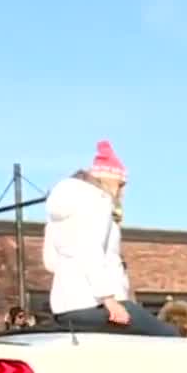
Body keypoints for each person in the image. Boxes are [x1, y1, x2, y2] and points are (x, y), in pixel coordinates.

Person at [42, 140, 178, 336]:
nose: (122, 192)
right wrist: (109, 300)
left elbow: (50, 262)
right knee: (168, 335)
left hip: (65, 308)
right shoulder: (97, 201)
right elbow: (90, 250)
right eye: (121, 185)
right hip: (95, 304)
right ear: (109, 180)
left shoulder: (59, 211)